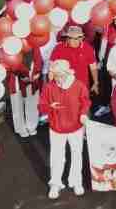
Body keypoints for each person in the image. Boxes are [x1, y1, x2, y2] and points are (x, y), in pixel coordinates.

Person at [39, 60, 91, 199]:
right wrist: (50, 106)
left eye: (60, 75)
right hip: (56, 128)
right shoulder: (49, 87)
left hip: (76, 127)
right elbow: (41, 106)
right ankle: (55, 183)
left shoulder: (79, 85)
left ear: (67, 73)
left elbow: (86, 101)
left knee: (77, 154)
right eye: (55, 76)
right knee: (56, 157)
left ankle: (76, 182)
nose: (58, 79)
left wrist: (83, 114)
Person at [50, 26, 99, 97]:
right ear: (68, 38)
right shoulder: (58, 48)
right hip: (63, 88)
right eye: (75, 38)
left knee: (84, 107)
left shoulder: (88, 48)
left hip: (82, 87)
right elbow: (51, 68)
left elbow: (93, 67)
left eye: (80, 37)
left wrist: (95, 82)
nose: (77, 41)